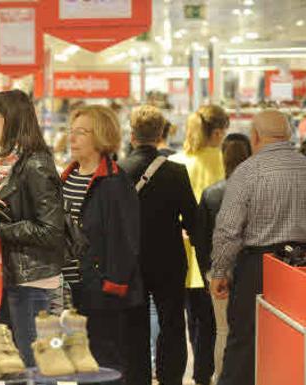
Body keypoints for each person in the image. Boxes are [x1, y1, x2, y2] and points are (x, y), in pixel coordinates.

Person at [210, 109, 306, 385]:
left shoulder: (247, 172)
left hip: (258, 268)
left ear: (255, 136)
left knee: (244, 343)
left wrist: (220, 271)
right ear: (287, 135)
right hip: (302, 269)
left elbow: (228, 230)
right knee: (296, 338)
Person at [0, 89, 64, 367]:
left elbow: (50, 230)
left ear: (8, 118)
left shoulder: (35, 164)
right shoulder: (14, 164)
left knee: (33, 367)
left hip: (31, 282)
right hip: (14, 276)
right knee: (18, 367)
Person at [60, 105, 142, 384]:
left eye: (81, 132)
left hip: (100, 291)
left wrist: (111, 283)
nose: (72, 138)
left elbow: (126, 240)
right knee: (74, 362)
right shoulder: (67, 177)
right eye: (71, 131)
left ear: (101, 136)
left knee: (104, 362)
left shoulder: (115, 182)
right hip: (67, 289)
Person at [118, 105, 198, 385]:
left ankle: (137, 378)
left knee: (134, 325)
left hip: (131, 262)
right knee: (173, 323)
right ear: (161, 134)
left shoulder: (118, 172)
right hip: (169, 261)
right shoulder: (176, 172)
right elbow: (193, 220)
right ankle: (170, 378)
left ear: (132, 135)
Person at [171, 104, 229, 385]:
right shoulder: (224, 161)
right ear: (218, 132)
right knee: (218, 326)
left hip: (183, 258)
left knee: (193, 323)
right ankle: (210, 376)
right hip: (218, 257)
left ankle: (198, 376)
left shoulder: (178, 161)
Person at [194, 133, 252, 384]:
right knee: (250, 332)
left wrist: (208, 271)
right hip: (250, 269)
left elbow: (201, 238)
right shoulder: (258, 192)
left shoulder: (211, 193)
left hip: (219, 271)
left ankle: (222, 378)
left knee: (222, 331)